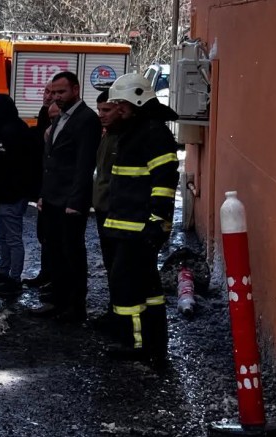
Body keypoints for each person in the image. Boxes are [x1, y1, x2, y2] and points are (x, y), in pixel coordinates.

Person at [102, 73, 179, 362]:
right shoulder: (137, 129)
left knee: (128, 285)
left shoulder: (152, 132)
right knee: (147, 287)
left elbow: (165, 181)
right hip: (130, 225)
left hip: (139, 227)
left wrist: (158, 221)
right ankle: (152, 345)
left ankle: (134, 343)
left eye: (120, 104)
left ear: (136, 100)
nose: (117, 110)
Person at [33, 71, 102, 322]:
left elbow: (84, 165)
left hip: (70, 202)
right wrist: (43, 194)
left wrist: (76, 201)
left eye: (61, 92)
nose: (57, 97)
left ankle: (75, 306)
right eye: (54, 92)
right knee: (54, 252)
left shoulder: (86, 120)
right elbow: (50, 161)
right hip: (52, 198)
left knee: (72, 253)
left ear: (75, 89)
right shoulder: (59, 118)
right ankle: (58, 301)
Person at [0, 94, 36, 293]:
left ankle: (12, 278)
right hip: (11, 193)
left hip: (10, 194)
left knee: (10, 237)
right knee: (6, 235)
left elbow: (9, 166)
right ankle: (6, 273)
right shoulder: (16, 128)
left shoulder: (9, 133)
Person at [25, 84, 54, 289]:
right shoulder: (45, 115)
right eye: (47, 91)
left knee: (53, 236)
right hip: (42, 187)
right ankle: (46, 274)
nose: (49, 96)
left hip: (55, 190)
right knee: (43, 234)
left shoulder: (59, 121)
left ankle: (53, 278)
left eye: (55, 92)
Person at [93, 90, 121, 273]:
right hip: (102, 205)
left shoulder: (122, 137)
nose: (101, 115)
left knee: (118, 260)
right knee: (109, 257)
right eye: (99, 110)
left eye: (106, 110)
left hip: (116, 208)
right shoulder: (107, 135)